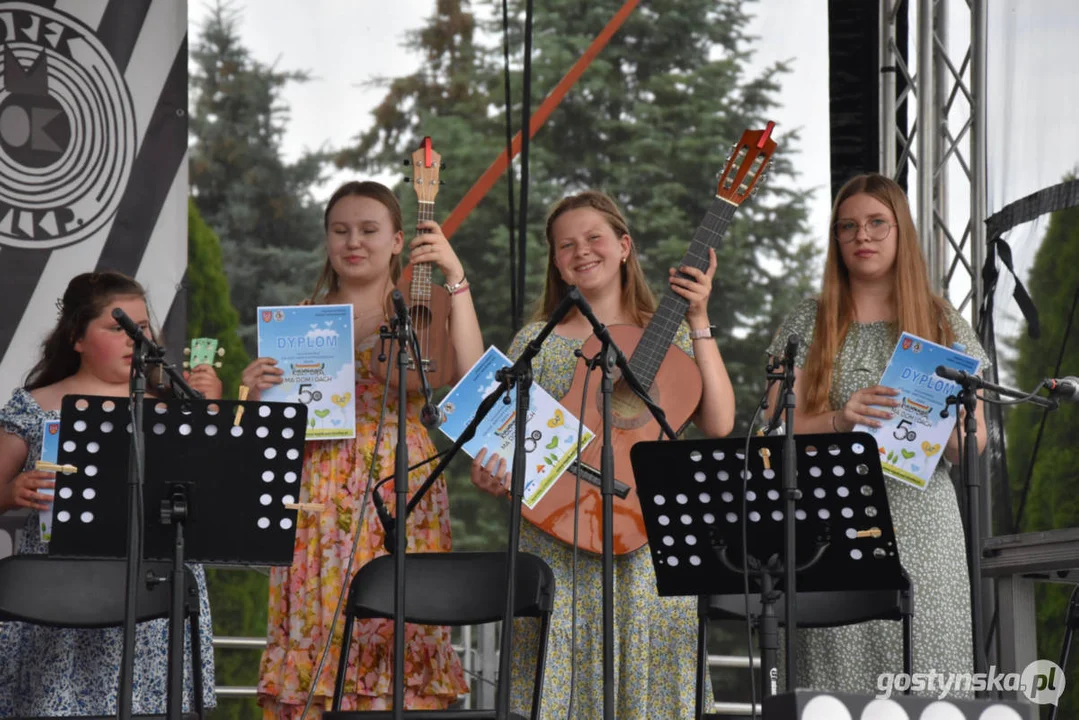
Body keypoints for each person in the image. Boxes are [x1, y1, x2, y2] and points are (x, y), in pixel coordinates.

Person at [470, 190, 736, 718]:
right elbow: (509, 441)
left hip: (646, 537)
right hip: (557, 537)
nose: (581, 251)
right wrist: (495, 473)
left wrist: (700, 316)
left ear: (623, 246)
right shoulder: (536, 341)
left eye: (594, 238)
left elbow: (720, 422)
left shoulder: (673, 333)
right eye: (565, 245)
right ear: (556, 263)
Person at [252, 180, 483, 717]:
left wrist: (457, 277)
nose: (354, 242)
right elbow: (273, 435)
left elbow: (473, 382)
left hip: (400, 485)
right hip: (315, 490)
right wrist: (258, 390)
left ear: (399, 239)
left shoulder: (422, 310)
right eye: (341, 230)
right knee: (318, 619)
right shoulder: (299, 318)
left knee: (395, 625)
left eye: (369, 230)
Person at [765, 172, 988, 695]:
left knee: (929, 684)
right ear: (836, 239)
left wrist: (957, 431)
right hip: (830, 527)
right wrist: (840, 420)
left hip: (923, 530)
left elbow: (973, 446)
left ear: (901, 232)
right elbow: (770, 429)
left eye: (876, 224)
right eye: (848, 227)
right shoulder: (807, 319)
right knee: (832, 692)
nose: (862, 236)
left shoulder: (941, 322)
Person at [0, 270, 220, 716]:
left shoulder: (173, 405)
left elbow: (217, 488)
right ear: (77, 338)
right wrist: (12, 490)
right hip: (63, 595)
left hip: (155, 586)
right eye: (118, 328)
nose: (133, 341)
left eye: (141, 330)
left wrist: (210, 412)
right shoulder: (34, 404)